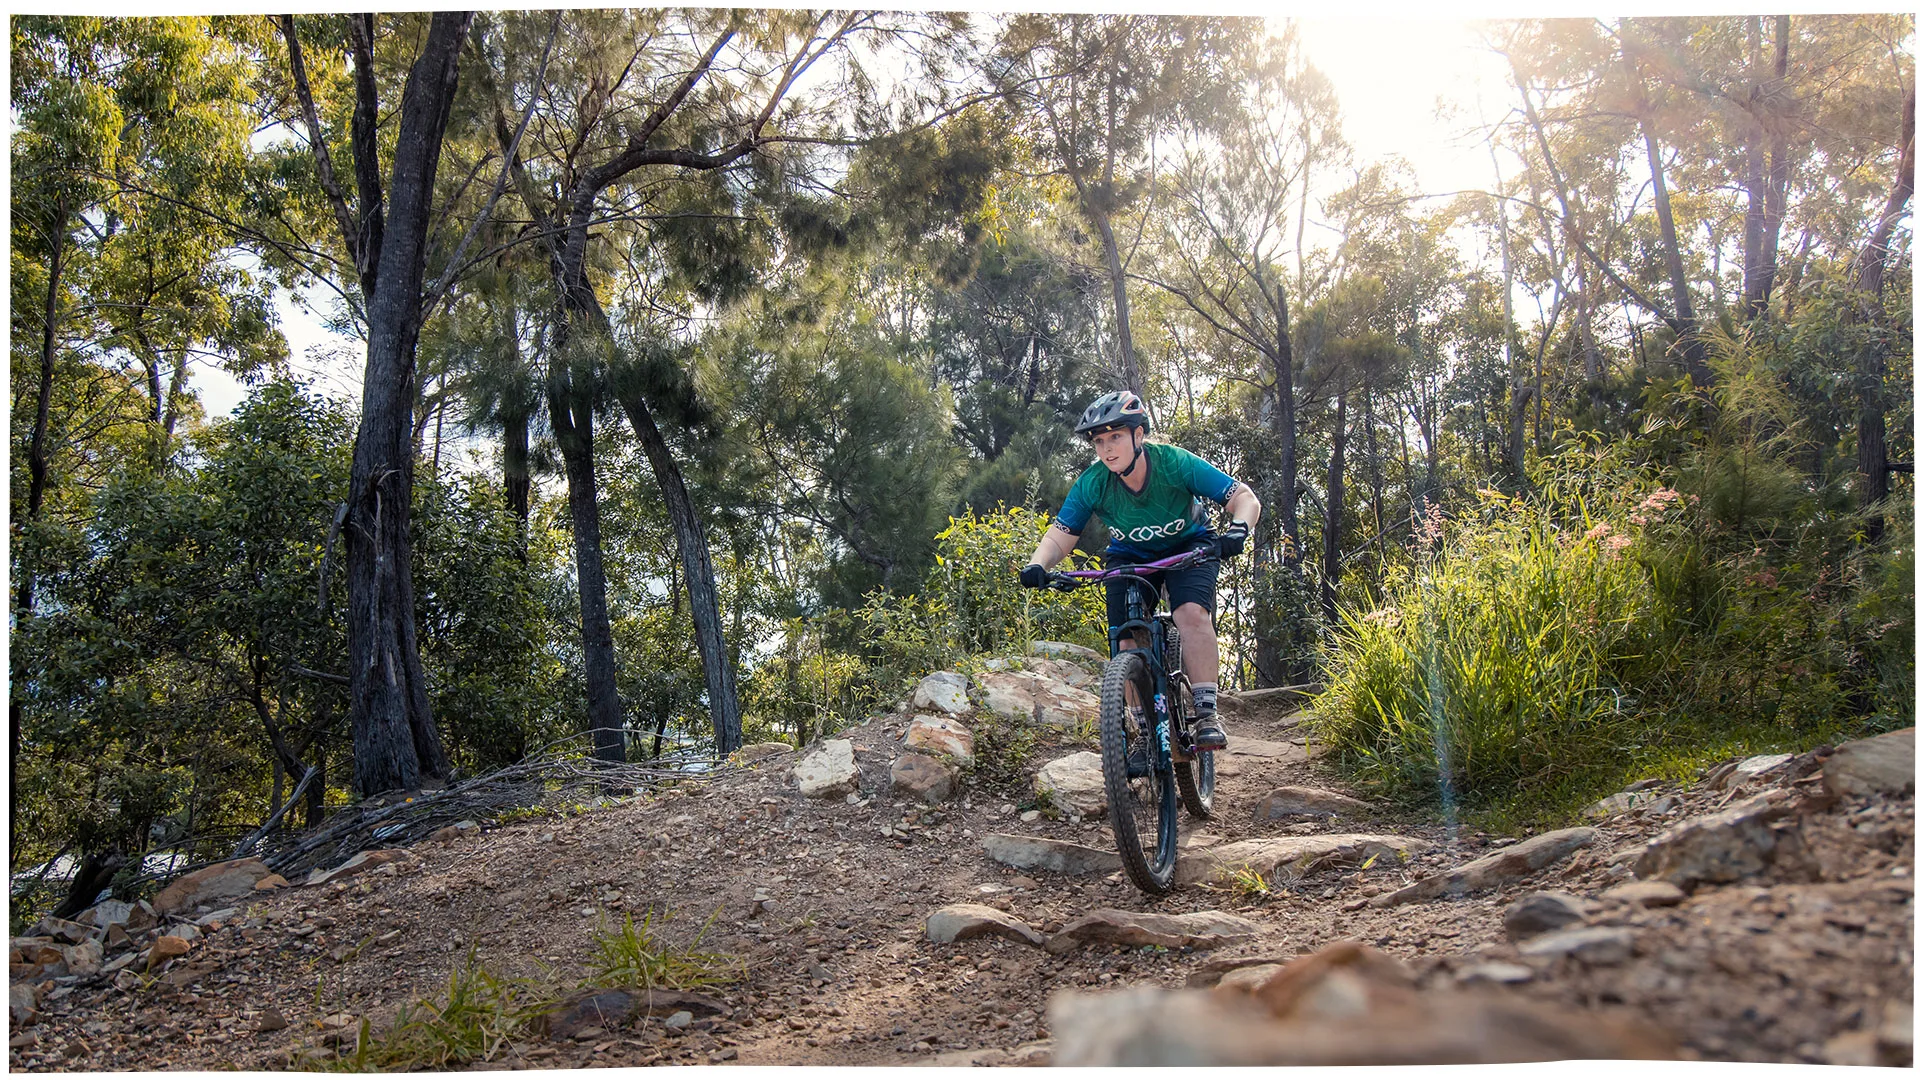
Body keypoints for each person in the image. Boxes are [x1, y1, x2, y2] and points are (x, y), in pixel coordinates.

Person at [1016, 390, 1261, 752]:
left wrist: (1238, 530)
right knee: (1125, 639)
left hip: (1190, 547)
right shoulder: (1093, 482)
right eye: (1099, 441)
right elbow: (1060, 536)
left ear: (1139, 435)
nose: (1107, 449)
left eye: (1115, 436)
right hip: (1130, 557)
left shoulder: (1176, 463)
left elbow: (1244, 498)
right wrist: (1038, 563)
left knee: (1190, 614)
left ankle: (1207, 715)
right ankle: (1147, 732)